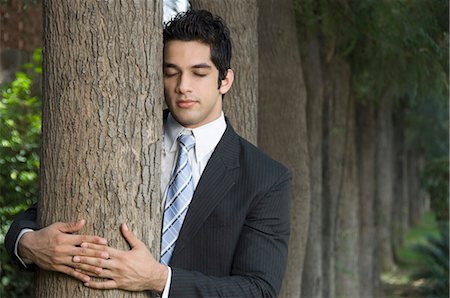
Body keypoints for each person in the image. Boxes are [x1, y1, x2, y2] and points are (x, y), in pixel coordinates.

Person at [5, 9, 291, 297]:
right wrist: (27, 244)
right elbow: (35, 214)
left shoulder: (266, 178)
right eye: (171, 72)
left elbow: (259, 290)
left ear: (225, 80)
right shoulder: (120, 137)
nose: (183, 87)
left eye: (199, 73)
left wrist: (160, 280)